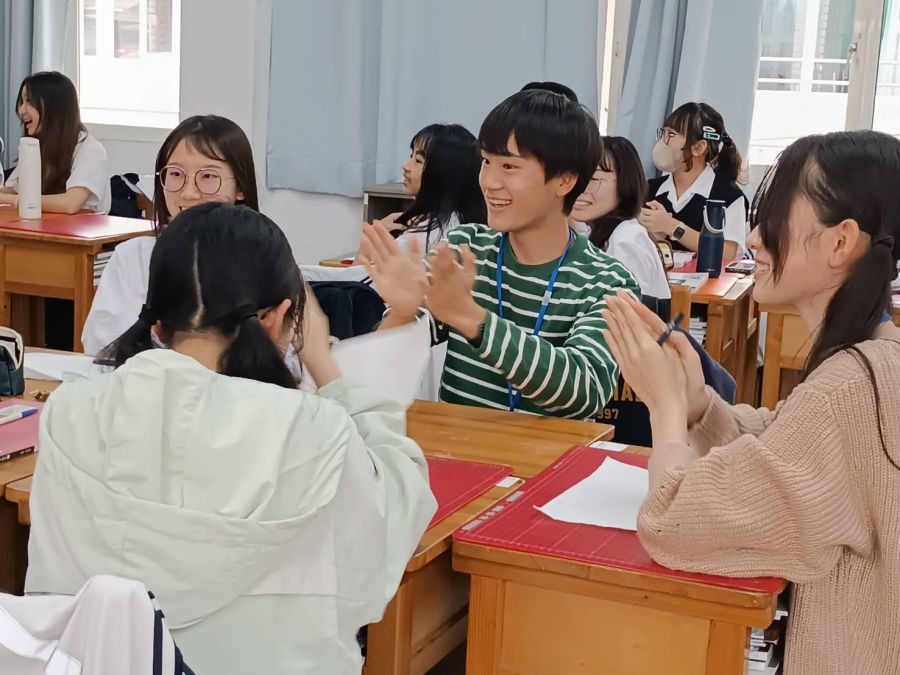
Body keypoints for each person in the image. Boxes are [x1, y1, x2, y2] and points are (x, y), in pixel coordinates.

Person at [25, 202, 436, 675]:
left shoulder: (70, 413)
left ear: (157, 325)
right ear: (276, 319)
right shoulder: (313, 429)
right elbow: (394, 521)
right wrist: (325, 364)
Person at [603, 130, 900, 675]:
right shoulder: (880, 355)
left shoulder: (851, 388)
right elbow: (787, 446)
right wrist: (697, 404)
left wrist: (665, 412)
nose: (757, 240)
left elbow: (674, 523)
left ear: (841, 242)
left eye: (776, 217)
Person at [360, 89, 639, 420]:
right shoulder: (467, 248)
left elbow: (584, 392)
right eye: (486, 162)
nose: (489, 181)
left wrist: (472, 319)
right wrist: (402, 314)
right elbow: (381, 368)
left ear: (564, 180)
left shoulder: (608, 281)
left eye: (509, 166)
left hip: (556, 465)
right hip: (461, 456)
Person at [81, 115, 259, 355]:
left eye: (208, 177)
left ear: (239, 187)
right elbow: (98, 344)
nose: (188, 193)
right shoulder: (133, 256)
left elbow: (284, 358)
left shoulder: (262, 258)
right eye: (176, 174)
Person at [639, 102, 747, 262]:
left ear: (698, 147)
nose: (663, 141)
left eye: (672, 135)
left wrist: (672, 227)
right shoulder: (649, 189)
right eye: (664, 133)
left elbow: (726, 253)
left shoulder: (729, 197)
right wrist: (656, 235)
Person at [572, 136, 670, 304]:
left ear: (625, 183)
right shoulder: (601, 233)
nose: (580, 188)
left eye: (594, 179)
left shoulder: (626, 242)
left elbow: (625, 319)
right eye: (575, 177)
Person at [0, 71, 109, 214]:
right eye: (22, 102)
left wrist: (9, 200)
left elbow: (70, 204)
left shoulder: (90, 150)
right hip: (40, 228)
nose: (21, 110)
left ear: (54, 106)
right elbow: (15, 189)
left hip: (76, 233)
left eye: (29, 101)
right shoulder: (35, 147)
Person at [392, 123, 486, 254]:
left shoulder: (424, 238)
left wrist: (368, 242)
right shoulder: (463, 223)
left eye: (418, 161)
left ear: (443, 172)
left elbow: (363, 273)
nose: (406, 166)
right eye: (411, 156)